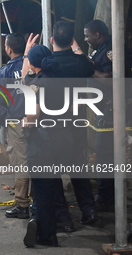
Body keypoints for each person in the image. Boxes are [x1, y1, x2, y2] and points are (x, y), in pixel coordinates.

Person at [22, 44, 73, 248]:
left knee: (42, 189)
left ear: (33, 63)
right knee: (52, 187)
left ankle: (47, 234)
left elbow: (33, 114)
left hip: (43, 142)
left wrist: (25, 121)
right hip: (64, 140)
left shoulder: (37, 84)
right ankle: (49, 224)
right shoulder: (63, 80)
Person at [50, 21, 97, 229]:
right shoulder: (81, 64)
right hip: (77, 124)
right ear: (71, 41)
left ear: (52, 40)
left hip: (53, 127)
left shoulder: (48, 63)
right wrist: (76, 47)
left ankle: (63, 218)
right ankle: (89, 210)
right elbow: (89, 65)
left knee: (53, 173)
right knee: (79, 169)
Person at [0, 33, 30, 219]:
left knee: (20, 162)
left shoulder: (5, 72)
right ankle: (39, 199)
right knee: (37, 158)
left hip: (16, 122)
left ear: (9, 49)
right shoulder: (33, 65)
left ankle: (22, 204)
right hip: (37, 120)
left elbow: (0, 102)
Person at [84, 20, 114, 212]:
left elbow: (109, 79)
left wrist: (90, 68)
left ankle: (106, 199)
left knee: (106, 155)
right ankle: (106, 195)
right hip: (102, 109)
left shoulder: (110, 50)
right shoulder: (99, 49)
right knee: (104, 155)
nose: (86, 39)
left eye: (87, 35)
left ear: (97, 34)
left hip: (110, 110)